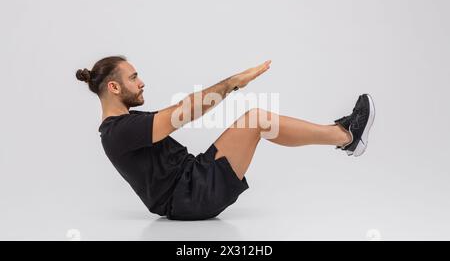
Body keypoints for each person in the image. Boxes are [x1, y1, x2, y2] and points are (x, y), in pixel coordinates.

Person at [76, 55, 375, 220]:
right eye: (133, 78)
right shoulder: (119, 132)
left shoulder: (128, 123)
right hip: (189, 196)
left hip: (192, 183)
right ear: (114, 88)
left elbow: (182, 109)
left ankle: (343, 136)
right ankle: (344, 135)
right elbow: (184, 112)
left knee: (256, 121)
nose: (141, 83)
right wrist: (233, 83)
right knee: (256, 120)